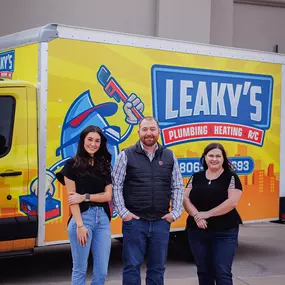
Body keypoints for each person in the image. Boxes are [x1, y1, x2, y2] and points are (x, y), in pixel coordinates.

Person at [112, 116, 184, 285]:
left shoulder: (169, 155)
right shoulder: (126, 155)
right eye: (144, 129)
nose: (148, 133)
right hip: (135, 222)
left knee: (157, 268)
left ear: (159, 132)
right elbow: (116, 185)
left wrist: (175, 213)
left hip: (161, 222)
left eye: (152, 129)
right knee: (131, 266)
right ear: (138, 132)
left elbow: (177, 186)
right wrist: (124, 213)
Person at [56, 125, 112, 285]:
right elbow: (72, 199)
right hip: (81, 219)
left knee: (102, 271)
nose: (93, 144)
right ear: (82, 140)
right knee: (80, 268)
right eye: (90, 139)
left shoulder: (104, 164)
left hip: (102, 220)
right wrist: (80, 225)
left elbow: (108, 195)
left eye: (97, 141)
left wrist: (85, 197)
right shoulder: (71, 165)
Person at [183, 142, 243, 285]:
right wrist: (197, 215)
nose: (214, 159)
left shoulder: (232, 177)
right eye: (210, 155)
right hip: (196, 231)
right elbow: (185, 198)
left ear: (224, 159)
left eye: (218, 156)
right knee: (203, 271)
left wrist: (207, 214)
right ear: (205, 157)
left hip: (225, 232)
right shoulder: (196, 177)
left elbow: (232, 202)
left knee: (222, 271)